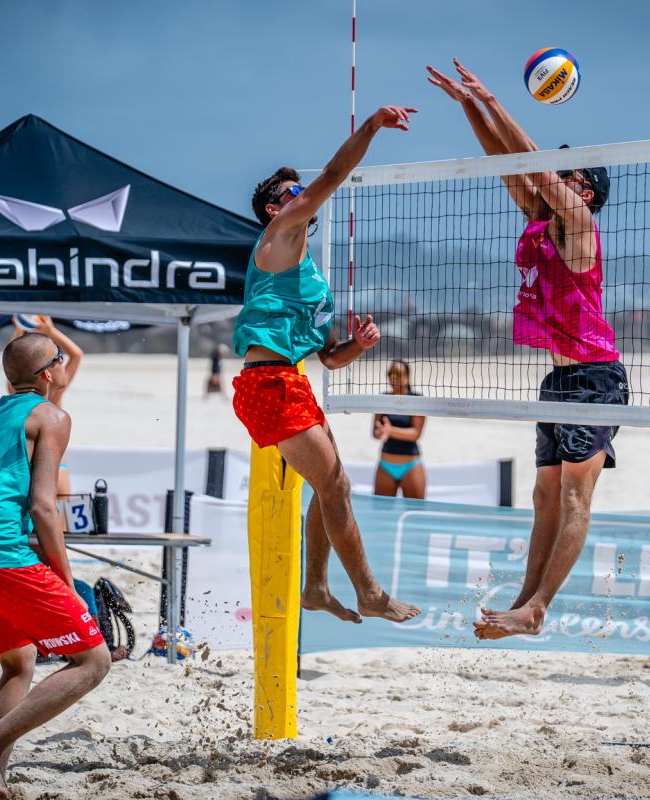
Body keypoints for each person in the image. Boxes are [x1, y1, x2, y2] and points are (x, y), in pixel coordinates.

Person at [428, 60, 629, 640]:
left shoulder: (579, 223)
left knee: (574, 496)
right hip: (559, 379)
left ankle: (539, 607)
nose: (554, 177)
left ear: (584, 190)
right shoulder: (542, 219)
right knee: (544, 496)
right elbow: (508, 162)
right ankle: (523, 605)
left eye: (566, 174)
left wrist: (495, 99)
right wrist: (470, 106)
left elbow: (535, 165)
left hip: (596, 378)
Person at [233, 104, 422, 626]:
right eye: (291, 191)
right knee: (335, 486)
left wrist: (358, 345)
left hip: (289, 380)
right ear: (274, 207)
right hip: (267, 383)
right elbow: (334, 175)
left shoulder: (308, 273)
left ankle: (315, 587)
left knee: (332, 487)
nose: (302, 193)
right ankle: (370, 593)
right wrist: (372, 126)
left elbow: (330, 359)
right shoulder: (278, 235)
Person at [0, 333, 109, 798]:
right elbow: (43, 507)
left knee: (19, 661)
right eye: (60, 358)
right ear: (49, 373)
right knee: (93, 660)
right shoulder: (52, 416)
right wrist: (67, 584)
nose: (66, 363)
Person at [9, 315, 82, 495]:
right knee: (62, 510)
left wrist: (19, 329)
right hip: (57, 464)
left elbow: (13, 361)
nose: (60, 362)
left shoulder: (16, 392)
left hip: (27, 465)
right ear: (49, 374)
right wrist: (51, 331)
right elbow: (77, 354)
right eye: (57, 360)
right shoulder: (55, 390)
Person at [373, 359, 427, 499]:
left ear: (407, 377)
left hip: (410, 465)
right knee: (382, 511)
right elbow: (375, 432)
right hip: (386, 464)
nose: (392, 377)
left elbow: (416, 434)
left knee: (415, 511)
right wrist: (380, 432)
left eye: (397, 373)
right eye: (390, 373)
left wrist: (390, 431)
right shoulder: (383, 398)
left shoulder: (416, 399)